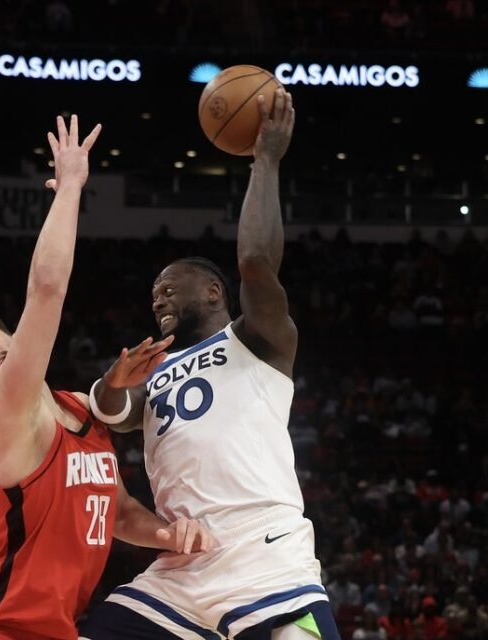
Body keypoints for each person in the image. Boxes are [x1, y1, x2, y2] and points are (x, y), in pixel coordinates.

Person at [0, 115, 210, 640]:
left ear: (11, 338)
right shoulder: (4, 415)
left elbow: (118, 512)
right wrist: (69, 189)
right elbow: (46, 290)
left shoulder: (82, 407)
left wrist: (170, 534)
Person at [81, 90, 341, 640]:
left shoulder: (257, 339)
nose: (157, 298)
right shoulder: (154, 366)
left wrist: (265, 159)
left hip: (262, 548)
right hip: (184, 558)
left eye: (169, 288)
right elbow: (112, 413)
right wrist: (113, 382)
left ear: (214, 292)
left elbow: (256, 262)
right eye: (153, 293)